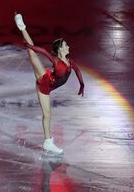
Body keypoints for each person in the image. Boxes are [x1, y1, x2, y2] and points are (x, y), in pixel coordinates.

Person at [14, 13, 84, 154]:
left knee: (48, 114)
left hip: (48, 82)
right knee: (47, 115)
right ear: (60, 49)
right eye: (66, 45)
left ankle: (22, 28)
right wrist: (29, 46)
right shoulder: (57, 61)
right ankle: (48, 142)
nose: (68, 46)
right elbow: (44, 52)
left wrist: (82, 84)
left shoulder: (69, 62)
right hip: (44, 84)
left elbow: (77, 70)